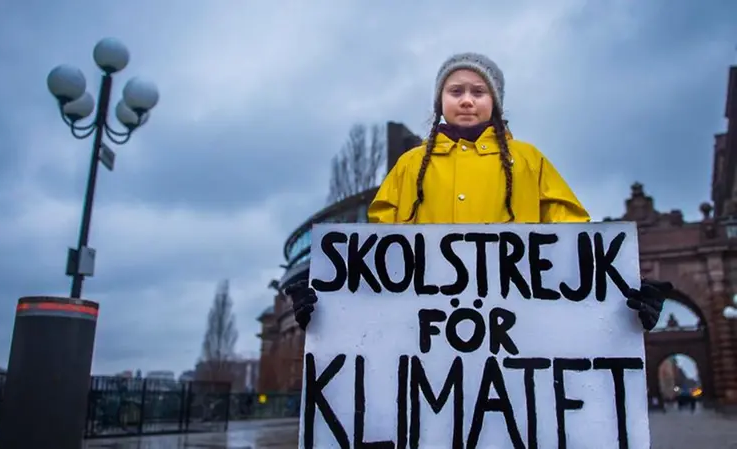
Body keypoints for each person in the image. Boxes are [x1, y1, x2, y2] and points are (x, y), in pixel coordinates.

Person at [285, 52, 671, 331]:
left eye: (478, 91)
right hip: (426, 326)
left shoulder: (530, 160)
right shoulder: (408, 166)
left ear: (495, 102)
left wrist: (624, 289)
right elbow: (378, 251)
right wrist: (331, 299)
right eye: (456, 91)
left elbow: (574, 239)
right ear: (441, 101)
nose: (467, 99)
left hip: (518, 325)